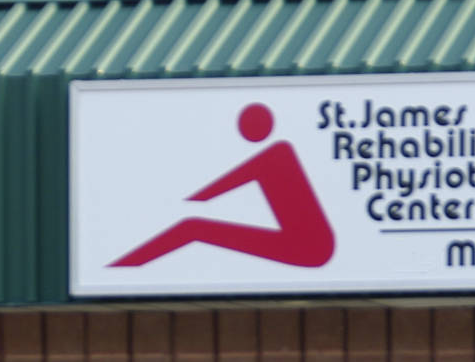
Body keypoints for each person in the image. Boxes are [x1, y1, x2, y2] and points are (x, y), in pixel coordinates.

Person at [110, 104, 335, 269]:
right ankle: (127, 263)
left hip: (309, 249)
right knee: (192, 227)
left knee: (192, 228)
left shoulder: (278, 153)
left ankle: (126, 264)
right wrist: (201, 197)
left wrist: (199, 198)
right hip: (306, 247)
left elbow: (237, 178)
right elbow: (235, 179)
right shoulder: (277, 153)